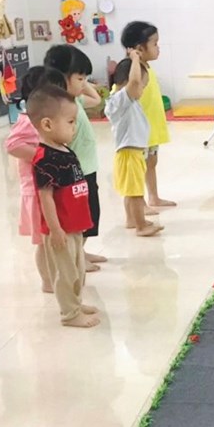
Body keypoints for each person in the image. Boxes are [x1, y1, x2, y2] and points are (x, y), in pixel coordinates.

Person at [28, 85, 100, 329]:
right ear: (47, 125)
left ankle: (76, 303)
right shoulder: (45, 159)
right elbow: (45, 197)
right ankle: (70, 314)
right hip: (61, 229)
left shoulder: (65, 150)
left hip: (75, 225)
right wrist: (56, 229)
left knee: (77, 269)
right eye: (70, 122)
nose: (74, 127)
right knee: (66, 272)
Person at [5, 66, 68, 293]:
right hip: (36, 191)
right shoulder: (28, 120)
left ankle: (58, 277)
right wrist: (43, 157)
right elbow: (12, 145)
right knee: (44, 240)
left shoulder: (47, 119)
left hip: (50, 189)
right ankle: (48, 281)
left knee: (54, 238)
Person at [44, 45, 105, 271]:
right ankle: (77, 258)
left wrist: (80, 82)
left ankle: (82, 251)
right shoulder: (60, 108)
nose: (84, 83)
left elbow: (96, 99)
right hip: (75, 173)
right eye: (80, 78)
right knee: (78, 218)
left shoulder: (74, 101)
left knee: (90, 215)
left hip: (88, 169)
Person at [118, 21, 175, 210]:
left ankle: (153, 197)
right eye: (155, 44)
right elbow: (123, 96)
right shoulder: (131, 69)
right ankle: (138, 203)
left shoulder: (147, 67)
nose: (158, 48)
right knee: (138, 166)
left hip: (150, 127)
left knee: (151, 162)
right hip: (137, 131)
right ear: (139, 48)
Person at [107, 53, 163, 237]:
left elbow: (135, 83)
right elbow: (134, 82)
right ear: (127, 82)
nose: (142, 90)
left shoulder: (126, 101)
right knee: (136, 193)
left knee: (131, 191)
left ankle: (131, 219)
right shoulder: (120, 99)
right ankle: (141, 226)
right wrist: (136, 59)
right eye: (142, 86)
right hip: (129, 154)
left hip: (133, 153)